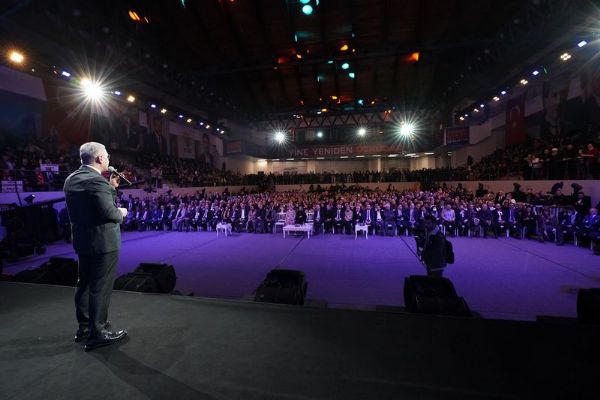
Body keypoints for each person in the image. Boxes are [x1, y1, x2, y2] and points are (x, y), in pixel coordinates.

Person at [63, 142, 128, 352]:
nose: (108, 159)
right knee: (100, 287)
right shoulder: (96, 182)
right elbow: (110, 213)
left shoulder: (71, 179)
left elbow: (90, 206)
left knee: (84, 284)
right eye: (107, 156)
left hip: (83, 242)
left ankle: (85, 327)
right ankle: (98, 333)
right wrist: (123, 213)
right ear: (100, 158)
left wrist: (110, 188)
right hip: (103, 243)